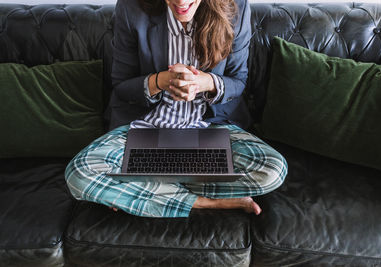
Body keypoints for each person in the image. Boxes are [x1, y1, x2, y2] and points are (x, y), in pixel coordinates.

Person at [65, 0, 288, 218]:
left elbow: (238, 81)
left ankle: (138, 192)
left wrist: (207, 82)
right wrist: (160, 81)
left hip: (210, 127)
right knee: (79, 174)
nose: (181, 2)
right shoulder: (131, 7)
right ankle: (206, 203)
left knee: (273, 171)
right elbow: (122, 85)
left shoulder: (236, 6)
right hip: (144, 127)